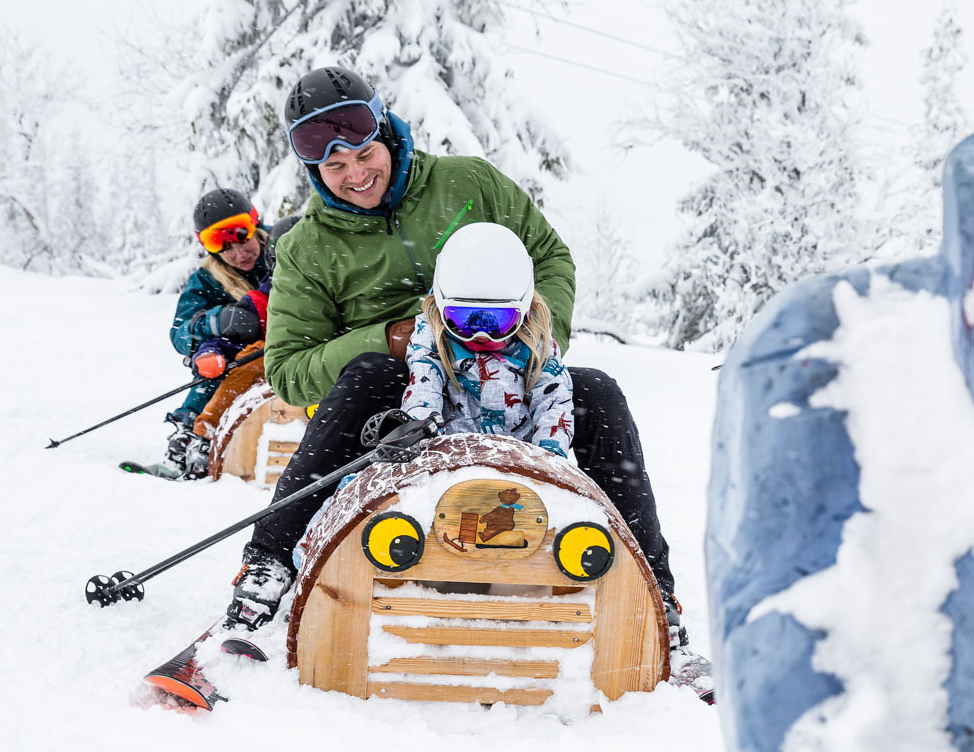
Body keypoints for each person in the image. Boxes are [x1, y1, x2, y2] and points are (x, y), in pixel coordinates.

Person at [218, 66, 689, 659]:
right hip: (397, 404)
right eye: (334, 168)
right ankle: (266, 569)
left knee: (596, 390)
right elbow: (286, 370)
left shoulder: (468, 184)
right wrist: (387, 340)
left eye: (364, 154)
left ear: (386, 134)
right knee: (368, 376)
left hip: (506, 368)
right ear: (314, 171)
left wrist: (534, 338)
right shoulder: (310, 248)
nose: (355, 175)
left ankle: (656, 600)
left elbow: (548, 255)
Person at [401, 222, 575, 457]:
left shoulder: (536, 342)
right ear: (441, 306)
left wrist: (548, 458)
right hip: (450, 460)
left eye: (498, 320)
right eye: (463, 318)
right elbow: (423, 389)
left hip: (519, 464)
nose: (480, 334)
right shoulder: (432, 336)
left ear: (524, 310)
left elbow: (553, 403)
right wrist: (420, 442)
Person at [162, 189, 271, 479]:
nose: (237, 253)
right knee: (215, 371)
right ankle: (189, 434)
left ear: (254, 223)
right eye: (220, 244)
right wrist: (216, 321)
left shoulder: (284, 245)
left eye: (242, 235)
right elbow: (179, 333)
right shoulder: (207, 280)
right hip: (235, 358)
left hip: (284, 345)